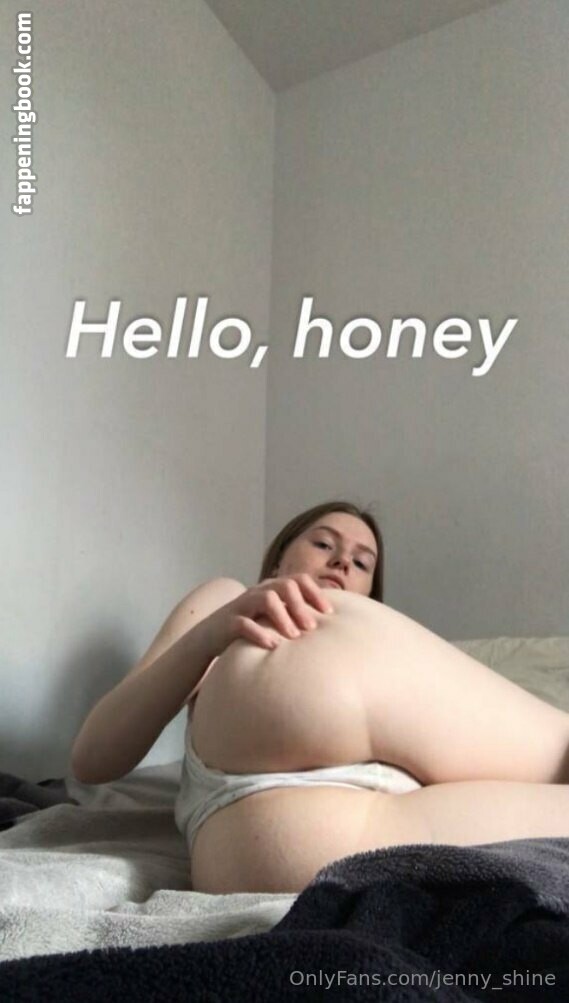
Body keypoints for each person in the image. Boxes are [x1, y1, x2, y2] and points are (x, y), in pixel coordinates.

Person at [71, 500, 569, 895]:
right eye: (324, 543)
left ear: (370, 598)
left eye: (362, 562)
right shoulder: (229, 601)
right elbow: (92, 760)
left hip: (261, 852)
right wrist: (209, 636)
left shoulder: (385, 653)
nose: (342, 561)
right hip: (250, 796)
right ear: (278, 560)